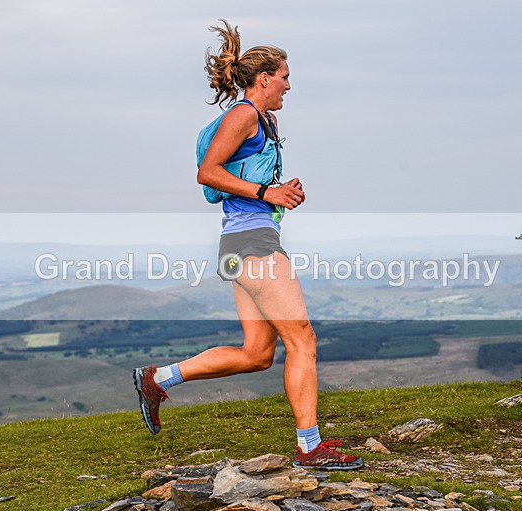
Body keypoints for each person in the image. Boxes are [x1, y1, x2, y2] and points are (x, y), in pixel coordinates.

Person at [133, 20, 363, 471]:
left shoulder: (266, 121)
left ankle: (157, 378)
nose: (288, 85)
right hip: (252, 243)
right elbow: (209, 173)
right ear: (264, 78)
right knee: (303, 340)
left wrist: (279, 190)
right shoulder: (243, 115)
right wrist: (266, 194)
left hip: (246, 241)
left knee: (258, 354)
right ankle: (310, 448)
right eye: (284, 77)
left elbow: (242, 177)